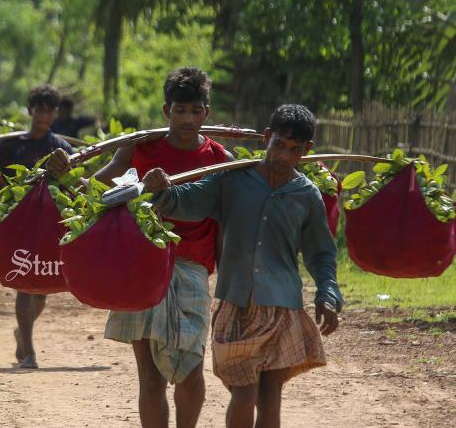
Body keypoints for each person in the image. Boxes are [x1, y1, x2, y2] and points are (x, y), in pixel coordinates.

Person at [49, 67, 231, 428]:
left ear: (206, 114)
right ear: (166, 111)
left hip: (193, 269)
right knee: (151, 378)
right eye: (180, 111)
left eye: (195, 111)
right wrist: (64, 175)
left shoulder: (221, 159)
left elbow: (224, 226)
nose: (187, 119)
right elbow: (95, 192)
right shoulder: (139, 147)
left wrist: (226, 287)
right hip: (139, 270)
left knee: (191, 371)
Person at [143, 104, 342, 428]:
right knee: (244, 392)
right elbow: (189, 200)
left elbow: (321, 253)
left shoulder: (307, 195)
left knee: (269, 396)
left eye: (294, 150)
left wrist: (327, 293)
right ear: (267, 138)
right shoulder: (233, 181)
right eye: (279, 145)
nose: (283, 156)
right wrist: (163, 192)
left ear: (306, 151)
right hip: (236, 305)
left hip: (282, 309)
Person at [0, 84, 73, 369]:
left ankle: (21, 333)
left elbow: (72, 185)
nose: (44, 114)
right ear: (30, 111)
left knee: (41, 288)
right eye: (39, 109)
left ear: (55, 114)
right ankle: (29, 351)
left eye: (49, 110)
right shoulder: (10, 146)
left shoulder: (62, 149)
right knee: (24, 284)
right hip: (18, 222)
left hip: (50, 224)